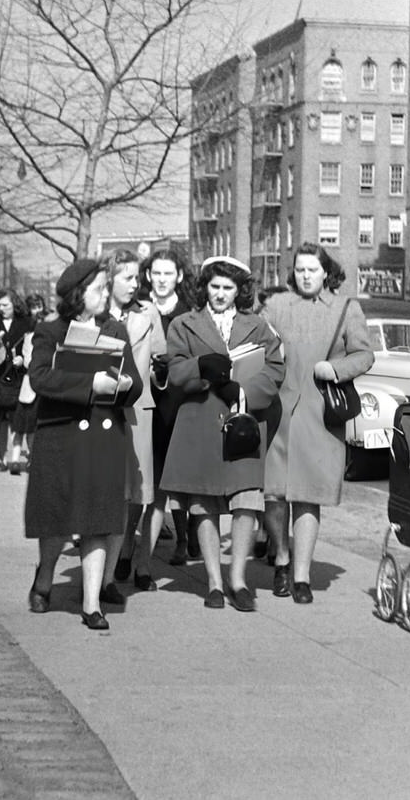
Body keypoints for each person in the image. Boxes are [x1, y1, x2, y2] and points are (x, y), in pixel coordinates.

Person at [25, 259, 143, 631]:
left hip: (103, 437)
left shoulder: (115, 329)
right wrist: (90, 385)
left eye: (107, 287)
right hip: (60, 436)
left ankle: (91, 603)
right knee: (56, 518)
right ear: (78, 295)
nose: (106, 294)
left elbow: (135, 383)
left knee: (98, 519)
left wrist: (124, 386)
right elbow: (40, 377)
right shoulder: (49, 331)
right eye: (99, 289)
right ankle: (45, 575)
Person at [163, 257, 284, 610]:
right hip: (199, 421)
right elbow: (175, 372)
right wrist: (201, 368)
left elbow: (275, 369)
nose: (220, 294)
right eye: (214, 286)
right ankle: (214, 582)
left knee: (247, 500)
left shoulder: (258, 325)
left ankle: (238, 579)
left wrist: (243, 393)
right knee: (204, 504)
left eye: (227, 288)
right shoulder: (183, 324)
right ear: (204, 288)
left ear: (239, 291)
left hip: (242, 423)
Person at [261, 242, 373, 605]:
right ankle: (280, 555)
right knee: (275, 494)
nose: (306, 275)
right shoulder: (277, 306)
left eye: (312, 269)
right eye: (300, 269)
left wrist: (337, 369)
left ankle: (301, 575)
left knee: (308, 498)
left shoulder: (346, 308)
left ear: (326, 272)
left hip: (320, 413)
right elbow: (254, 346)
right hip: (277, 411)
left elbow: (365, 354)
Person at [103, 251, 160, 591]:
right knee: (108, 487)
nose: (135, 284)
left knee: (138, 490)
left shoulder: (147, 312)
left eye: (137, 277)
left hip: (139, 408)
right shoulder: (93, 315)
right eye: (127, 277)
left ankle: (128, 549)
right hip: (103, 409)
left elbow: (161, 356)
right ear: (109, 278)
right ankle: (104, 572)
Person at [142, 246, 195, 566]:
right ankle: (143, 541)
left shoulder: (189, 314)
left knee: (180, 473)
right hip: (144, 401)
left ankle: (184, 538)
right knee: (151, 473)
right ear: (148, 275)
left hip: (178, 401)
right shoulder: (140, 309)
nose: (162, 280)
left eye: (168, 274)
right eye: (156, 273)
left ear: (179, 276)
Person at [0, 290, 32, 470]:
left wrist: (22, 358)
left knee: (16, 418)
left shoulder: (25, 323)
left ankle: (15, 456)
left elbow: (31, 345)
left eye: (5, 305)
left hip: (17, 375)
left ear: (15, 304)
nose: (1, 308)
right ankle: (2, 459)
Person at [7, 293, 47, 472]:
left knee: (34, 427)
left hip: (43, 386)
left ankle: (33, 458)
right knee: (21, 425)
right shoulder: (29, 335)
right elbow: (29, 359)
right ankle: (14, 459)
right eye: (34, 307)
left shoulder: (50, 338)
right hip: (29, 385)